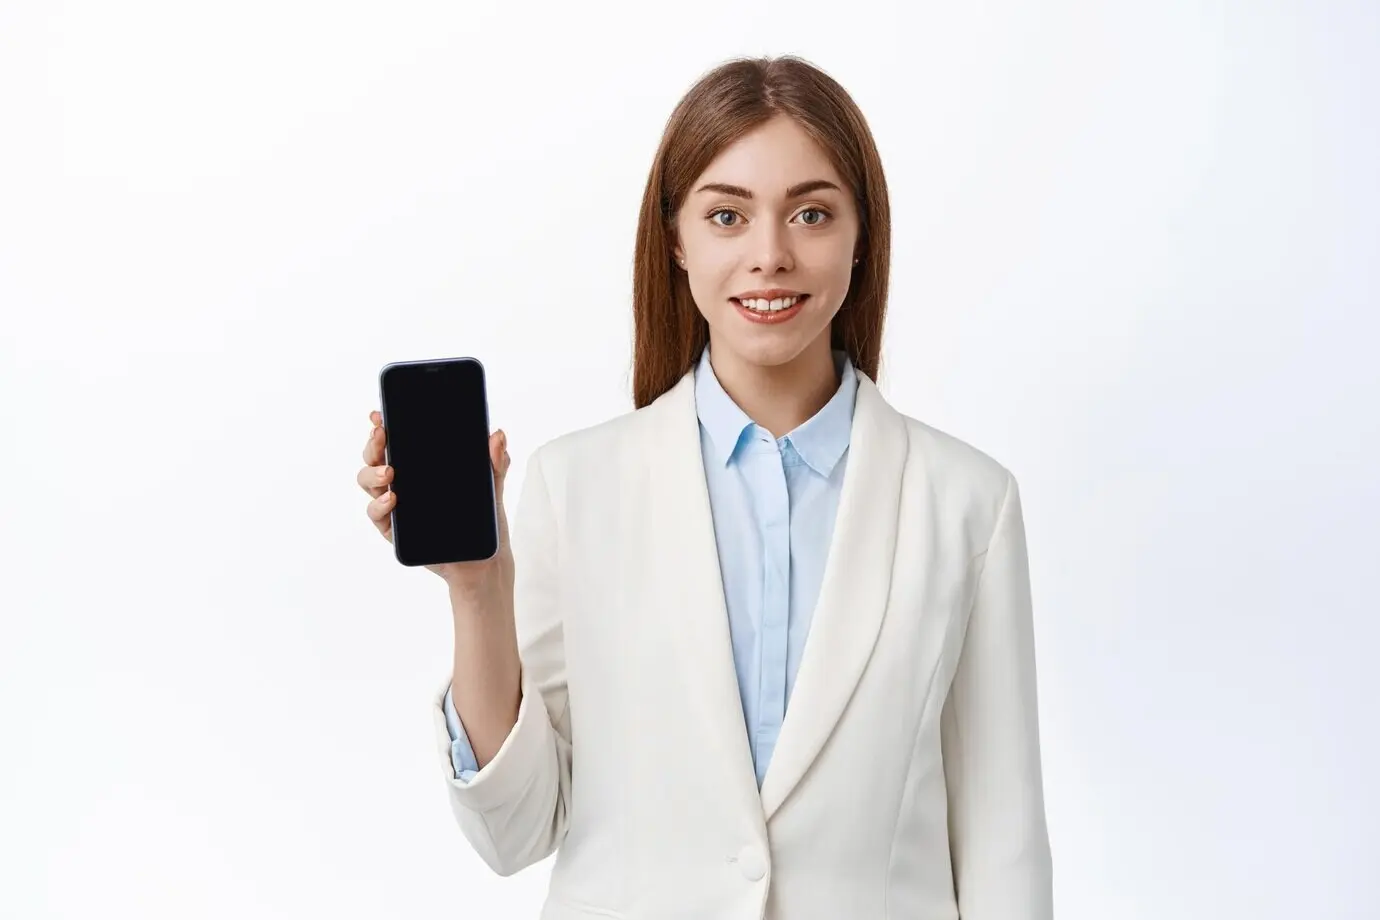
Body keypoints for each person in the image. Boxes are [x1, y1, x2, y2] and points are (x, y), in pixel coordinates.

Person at [357, 55, 1052, 920]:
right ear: (677, 238)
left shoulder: (968, 505)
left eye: (811, 212)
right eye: (727, 215)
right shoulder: (578, 487)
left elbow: (1003, 848)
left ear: (862, 233)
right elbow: (518, 830)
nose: (771, 255)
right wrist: (477, 591)